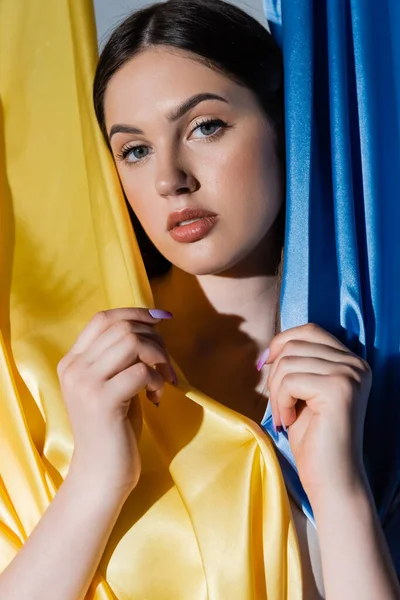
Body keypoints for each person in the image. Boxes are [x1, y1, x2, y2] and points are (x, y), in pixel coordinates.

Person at [0, 0, 399, 599]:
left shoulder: (375, 353)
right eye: (134, 149)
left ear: (287, 129)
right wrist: (96, 480)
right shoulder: (61, 378)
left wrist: (341, 492)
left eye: (204, 126)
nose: (170, 178)